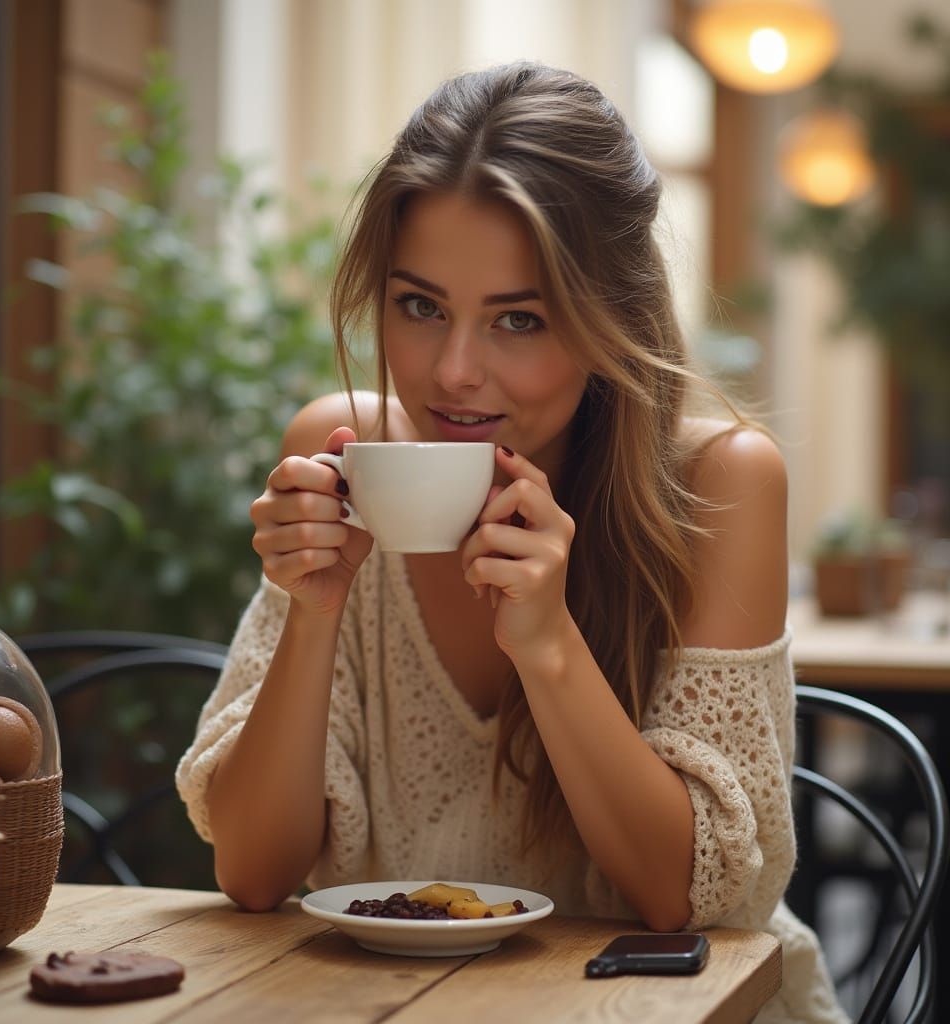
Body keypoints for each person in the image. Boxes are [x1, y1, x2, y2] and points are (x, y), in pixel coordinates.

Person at [177, 62, 848, 1023]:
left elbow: (688, 899)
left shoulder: (718, 484)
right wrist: (314, 611)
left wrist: (548, 644)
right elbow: (252, 873)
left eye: (519, 320)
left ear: (609, 319)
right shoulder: (340, 452)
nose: (455, 372)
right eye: (420, 307)